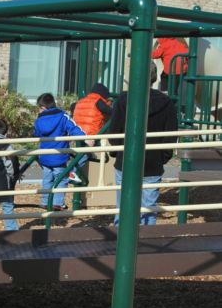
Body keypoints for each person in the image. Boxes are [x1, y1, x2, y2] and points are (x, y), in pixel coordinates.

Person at [108, 62, 176, 227]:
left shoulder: (124, 99)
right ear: (154, 77)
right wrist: (163, 157)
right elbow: (171, 135)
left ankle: (119, 247)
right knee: (148, 210)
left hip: (126, 160)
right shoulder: (167, 102)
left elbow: (114, 131)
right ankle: (146, 246)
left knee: (123, 208)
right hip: (153, 162)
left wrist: (117, 151)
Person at [34, 92, 86, 211]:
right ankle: (57, 202)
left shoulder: (39, 120)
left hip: (45, 157)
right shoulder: (62, 116)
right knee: (61, 179)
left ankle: (45, 201)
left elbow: (36, 133)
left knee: (47, 179)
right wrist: (86, 138)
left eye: (39, 108)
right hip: (59, 157)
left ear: (43, 107)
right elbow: (73, 128)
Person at [69, 82, 113, 184]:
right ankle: (72, 171)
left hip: (78, 133)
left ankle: (88, 156)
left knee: (84, 152)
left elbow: (72, 107)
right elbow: (110, 111)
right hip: (91, 134)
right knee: (83, 154)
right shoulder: (98, 101)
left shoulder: (81, 101)